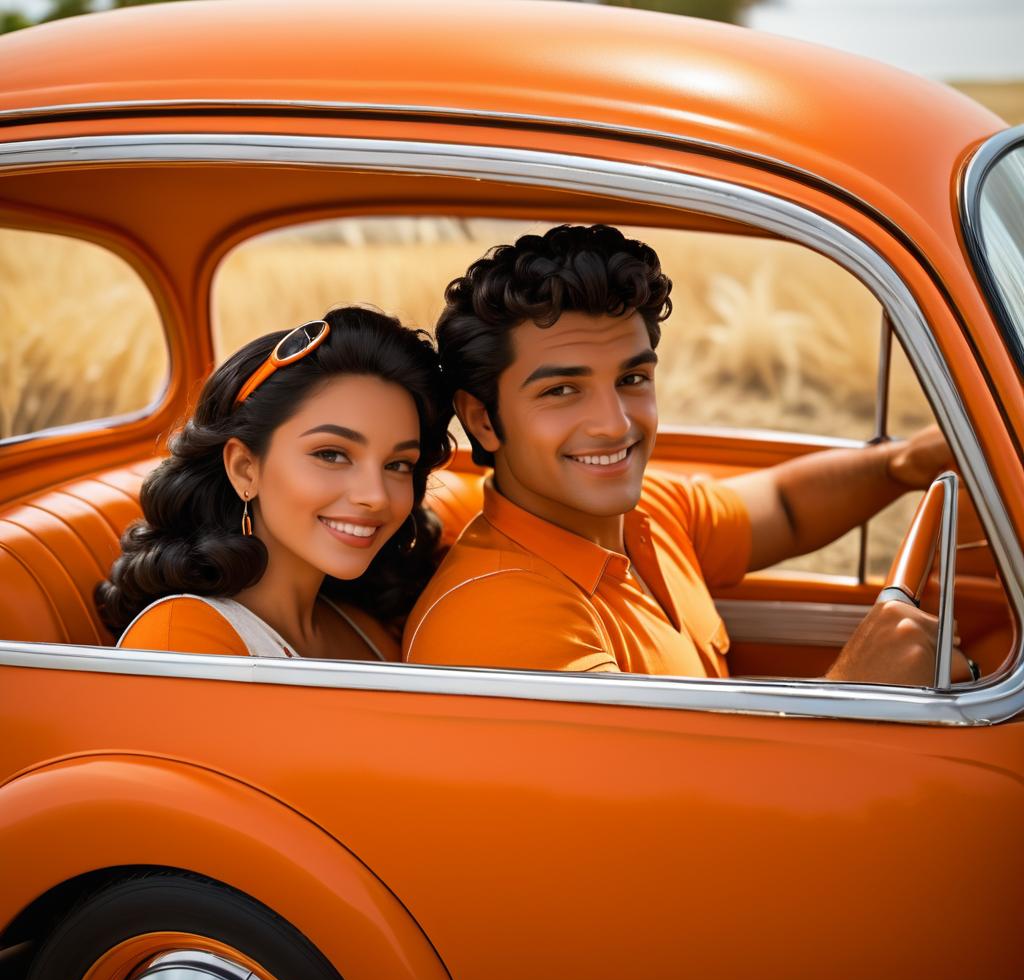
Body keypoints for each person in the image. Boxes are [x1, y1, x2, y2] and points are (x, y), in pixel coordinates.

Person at [403, 224, 968, 685]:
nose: (616, 424)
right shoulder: (499, 616)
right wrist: (854, 692)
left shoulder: (645, 511)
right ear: (483, 418)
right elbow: (673, 811)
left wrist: (904, 464)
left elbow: (784, 507)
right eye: (561, 390)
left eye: (631, 378)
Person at [98, 305, 451, 660]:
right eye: (331, 454)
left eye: (398, 464)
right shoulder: (180, 640)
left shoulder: (363, 624)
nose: (375, 496)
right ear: (245, 468)